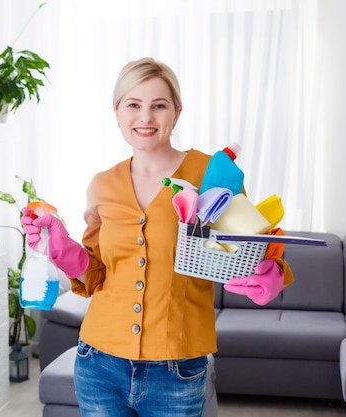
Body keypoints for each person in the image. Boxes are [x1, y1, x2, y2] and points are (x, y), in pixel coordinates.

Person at [21, 57, 294, 417]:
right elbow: (95, 273)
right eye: (133, 105)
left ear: (177, 113)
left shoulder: (213, 174)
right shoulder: (102, 184)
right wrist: (59, 243)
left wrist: (271, 274)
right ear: (117, 112)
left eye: (158, 105)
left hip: (176, 369)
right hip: (98, 363)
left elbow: (252, 248)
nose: (145, 117)